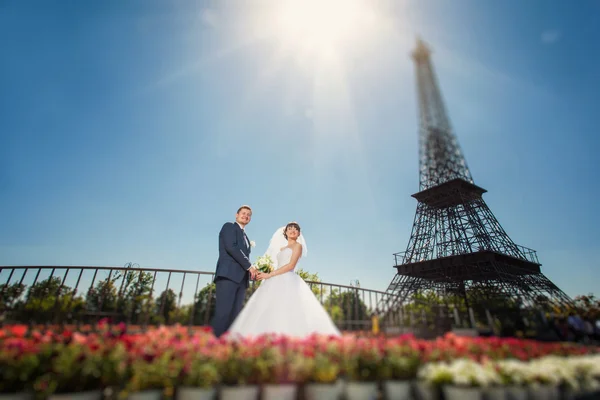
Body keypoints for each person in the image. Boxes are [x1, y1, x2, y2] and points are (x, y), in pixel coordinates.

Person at [227, 222, 341, 338]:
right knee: (268, 308)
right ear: (285, 232)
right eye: (290, 228)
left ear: (298, 233)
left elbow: (291, 266)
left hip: (289, 279)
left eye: (295, 229)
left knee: (288, 308)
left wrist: (269, 274)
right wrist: (265, 272)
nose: (292, 230)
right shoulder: (282, 248)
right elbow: (279, 264)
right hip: (275, 279)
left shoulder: (298, 246)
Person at [212, 205, 258, 337]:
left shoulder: (246, 237)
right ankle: (214, 346)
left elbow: (243, 255)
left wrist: (252, 271)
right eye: (243, 213)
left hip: (242, 280)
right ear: (236, 215)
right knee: (223, 313)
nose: (246, 216)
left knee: (235, 316)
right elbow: (232, 248)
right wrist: (250, 266)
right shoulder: (229, 227)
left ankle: (228, 347)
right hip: (228, 276)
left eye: (249, 214)